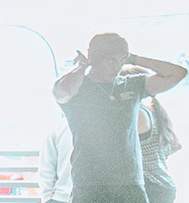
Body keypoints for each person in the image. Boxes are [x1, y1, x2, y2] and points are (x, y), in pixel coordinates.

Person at [53, 33, 187, 203]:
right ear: (95, 58)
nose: (116, 66)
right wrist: (82, 65)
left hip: (129, 184)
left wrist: (134, 59)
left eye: (121, 60)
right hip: (90, 184)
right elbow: (61, 92)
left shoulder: (132, 84)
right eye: (111, 61)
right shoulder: (78, 88)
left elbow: (177, 73)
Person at [139, 96, 178, 203]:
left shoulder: (139, 113)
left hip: (154, 187)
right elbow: (175, 145)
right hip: (163, 185)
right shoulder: (153, 113)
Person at [41, 119, 74, 203]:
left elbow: (47, 168)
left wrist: (47, 198)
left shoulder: (58, 127)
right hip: (64, 197)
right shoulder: (102, 126)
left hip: (61, 197)